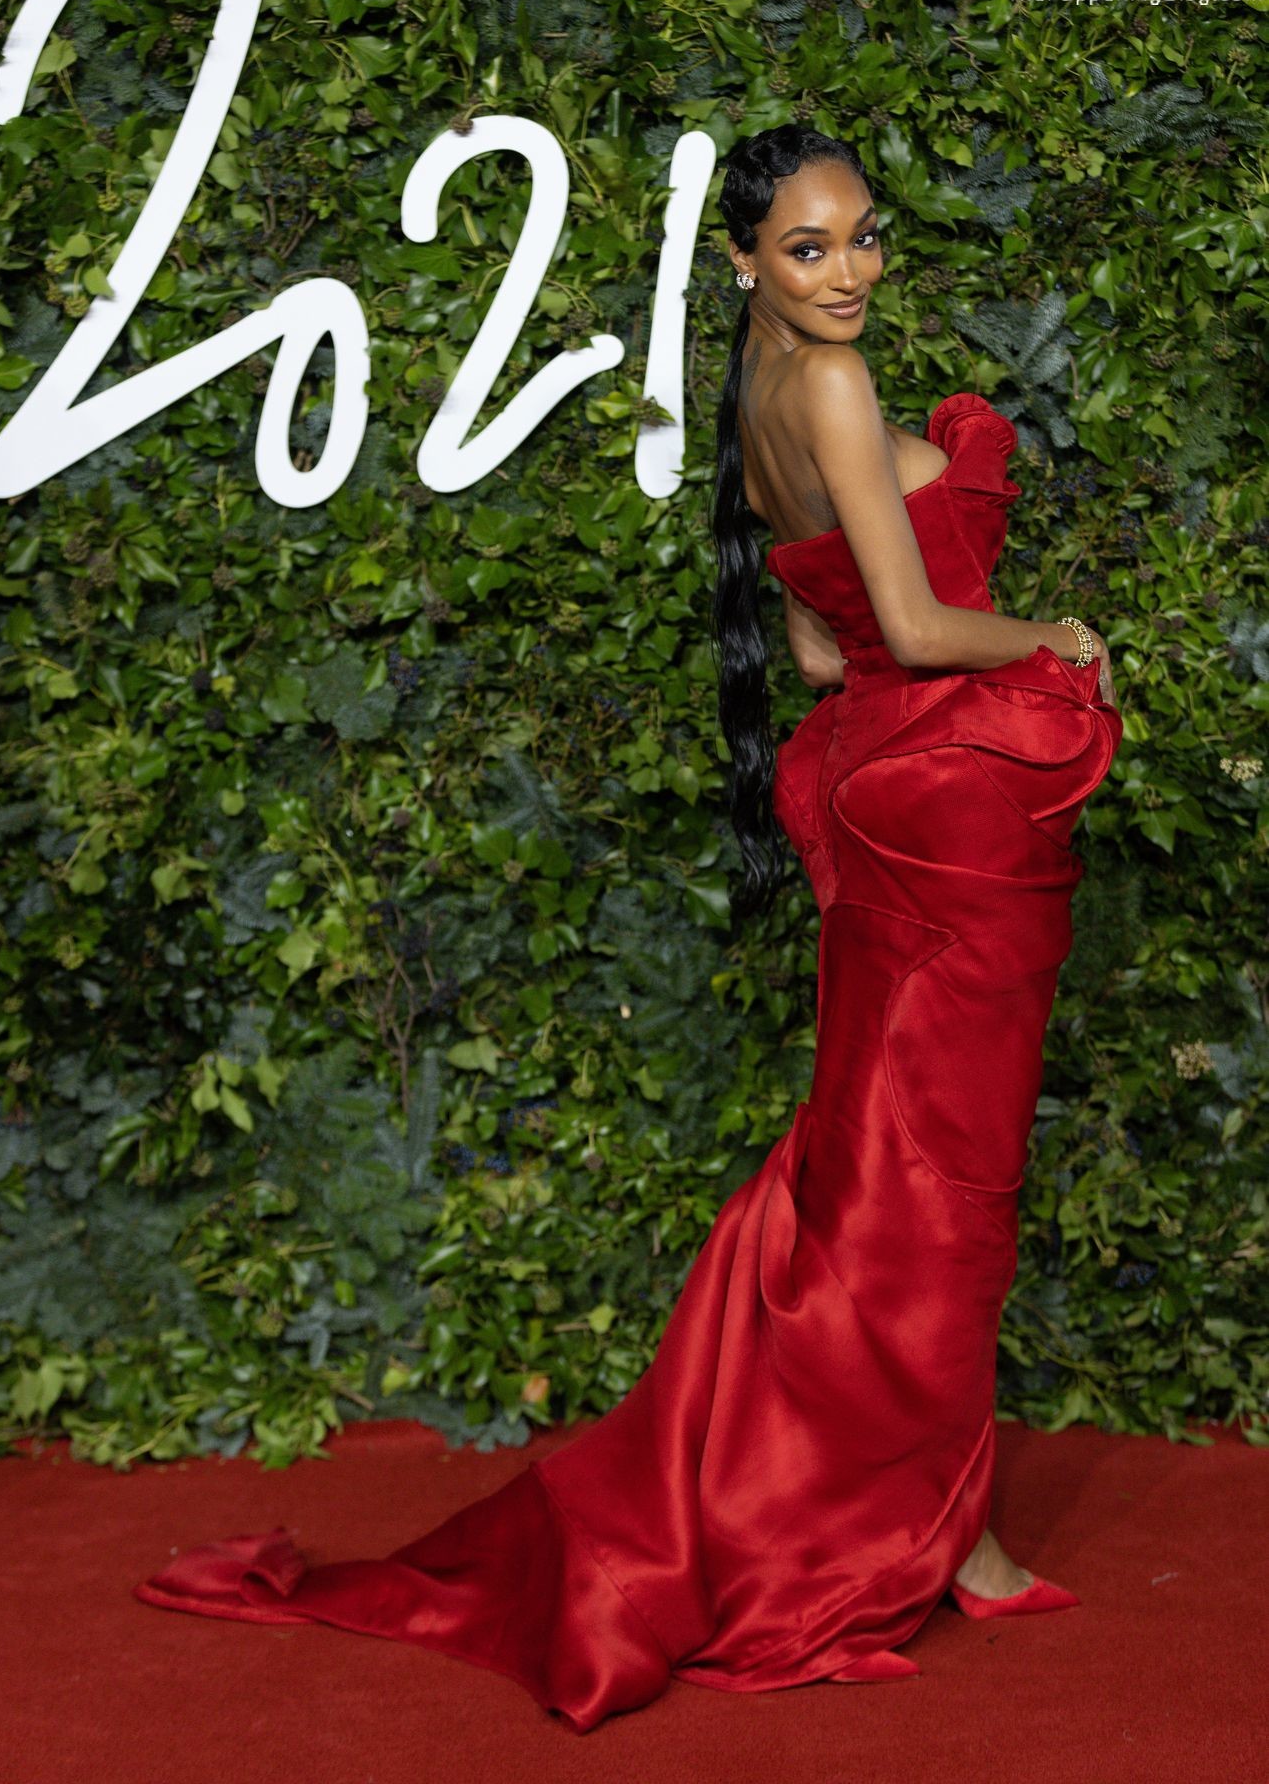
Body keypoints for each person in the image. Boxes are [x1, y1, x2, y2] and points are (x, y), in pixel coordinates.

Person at [135, 124, 1123, 1735]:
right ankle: (947, 1537)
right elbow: (917, 623)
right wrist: (1058, 635)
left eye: (865, 235)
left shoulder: (760, 395)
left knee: (890, 1175)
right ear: (745, 260)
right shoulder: (834, 387)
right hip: (941, 821)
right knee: (939, 1190)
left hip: (884, 802)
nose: (852, 271)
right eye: (809, 247)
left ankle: (958, 1528)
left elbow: (824, 658)